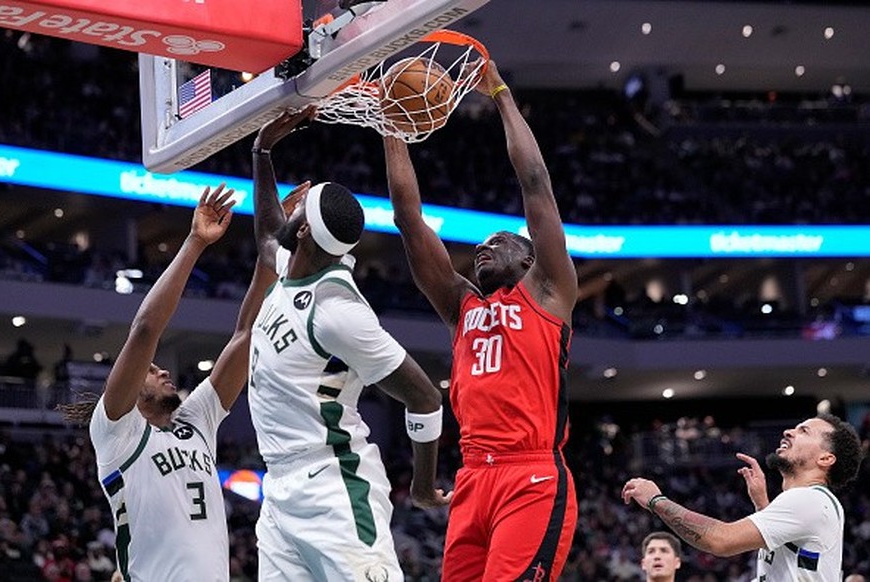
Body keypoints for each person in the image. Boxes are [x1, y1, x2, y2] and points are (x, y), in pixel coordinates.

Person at [382, 60, 579, 581]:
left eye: (498, 243)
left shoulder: (550, 291)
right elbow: (407, 219)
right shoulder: (461, 306)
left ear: (529, 259)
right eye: (479, 245)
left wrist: (499, 93)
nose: (482, 248)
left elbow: (535, 182)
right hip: (472, 478)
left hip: (531, 475)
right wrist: (392, 128)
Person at [249, 107, 450, 581]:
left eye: (297, 208)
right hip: (279, 487)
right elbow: (265, 234)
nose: (290, 205)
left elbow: (424, 395)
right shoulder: (292, 270)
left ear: (302, 231)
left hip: (334, 485)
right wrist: (261, 152)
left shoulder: (339, 309)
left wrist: (421, 488)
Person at [58, 185, 275, 582]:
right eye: (151, 370)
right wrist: (194, 242)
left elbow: (247, 333)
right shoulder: (116, 431)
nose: (162, 372)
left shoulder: (196, 425)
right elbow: (145, 330)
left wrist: (274, 250)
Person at [622, 414, 864, 581]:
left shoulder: (808, 500)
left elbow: (720, 541)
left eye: (804, 431)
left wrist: (656, 500)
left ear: (825, 459)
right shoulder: (812, 503)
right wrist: (762, 506)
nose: (789, 431)